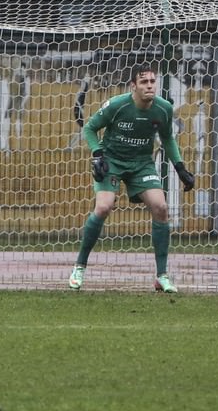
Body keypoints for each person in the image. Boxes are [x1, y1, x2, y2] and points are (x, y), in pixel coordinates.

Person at [68, 63, 195, 292]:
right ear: (133, 85)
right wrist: (97, 155)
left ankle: (162, 276)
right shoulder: (117, 105)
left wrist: (180, 167)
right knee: (104, 207)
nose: (149, 86)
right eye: (144, 82)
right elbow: (89, 129)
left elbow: (167, 139)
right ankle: (79, 267)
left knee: (161, 207)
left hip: (141, 165)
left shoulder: (163, 108)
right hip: (112, 162)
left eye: (152, 81)